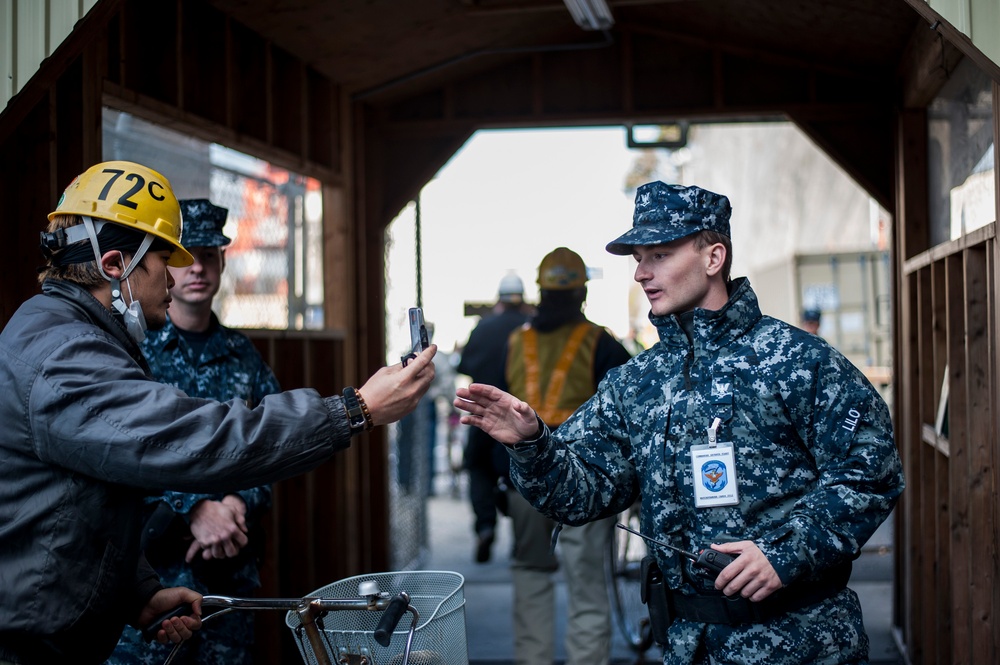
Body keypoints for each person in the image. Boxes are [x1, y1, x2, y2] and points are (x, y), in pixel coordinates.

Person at [0, 161, 436, 665]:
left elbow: (88, 504)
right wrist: (354, 410)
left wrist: (137, 593)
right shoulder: (65, 358)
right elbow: (195, 441)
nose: (176, 276)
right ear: (117, 265)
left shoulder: (64, 338)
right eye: (166, 260)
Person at [454, 182, 905, 665]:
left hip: (802, 644)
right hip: (686, 646)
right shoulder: (634, 382)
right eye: (638, 258)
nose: (641, 274)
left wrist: (787, 551)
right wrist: (533, 445)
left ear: (713, 258)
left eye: (660, 255)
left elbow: (871, 471)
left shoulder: (797, 361)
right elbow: (583, 495)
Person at [109, 200, 279, 664]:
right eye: (185, 257)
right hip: (149, 582)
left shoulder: (244, 356)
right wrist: (194, 508)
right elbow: (118, 448)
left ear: (223, 262)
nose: (197, 268)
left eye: (209, 255)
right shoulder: (132, 350)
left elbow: (271, 447)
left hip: (228, 579)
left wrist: (237, 503)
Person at [502, 247, 631, 665]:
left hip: (525, 477)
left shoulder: (515, 342)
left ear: (539, 290)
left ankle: (533, 659)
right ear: (582, 293)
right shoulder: (602, 343)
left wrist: (490, 490)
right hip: (586, 482)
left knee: (530, 577)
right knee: (587, 585)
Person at [457, 272, 530, 562]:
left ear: (499, 298)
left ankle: (486, 526)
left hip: (482, 417)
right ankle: (522, 537)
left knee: (478, 470)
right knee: (523, 474)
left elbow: (465, 364)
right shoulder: (529, 329)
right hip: (520, 416)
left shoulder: (483, 327)